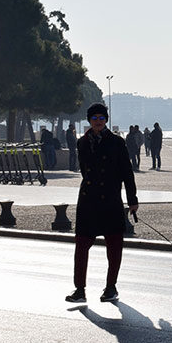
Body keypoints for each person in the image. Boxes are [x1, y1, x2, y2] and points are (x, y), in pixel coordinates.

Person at [66, 102, 138, 303]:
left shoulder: (117, 142)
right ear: (89, 120)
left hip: (111, 200)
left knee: (114, 246)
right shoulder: (82, 142)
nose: (98, 122)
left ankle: (111, 287)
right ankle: (79, 290)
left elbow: (127, 172)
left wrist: (132, 200)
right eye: (94, 118)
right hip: (88, 200)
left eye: (101, 118)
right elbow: (84, 169)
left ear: (106, 120)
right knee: (81, 245)